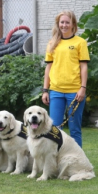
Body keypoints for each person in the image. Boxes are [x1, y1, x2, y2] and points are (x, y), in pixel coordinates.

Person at [41, 10, 89, 148]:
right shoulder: (52, 43)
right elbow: (48, 68)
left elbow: (84, 67)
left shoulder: (80, 42)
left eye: (67, 22)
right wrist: (45, 90)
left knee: (75, 129)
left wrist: (83, 88)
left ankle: (78, 162)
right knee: (55, 129)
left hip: (75, 92)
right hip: (55, 91)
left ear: (73, 24)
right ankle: (56, 160)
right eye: (62, 22)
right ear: (58, 24)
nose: (64, 25)